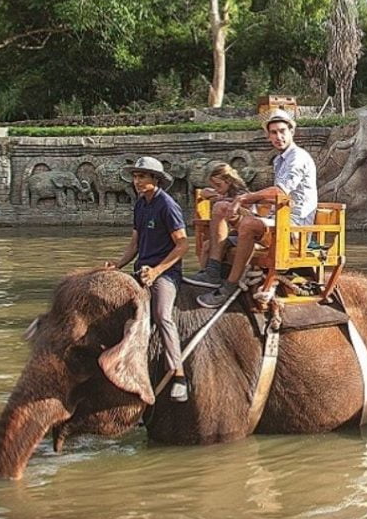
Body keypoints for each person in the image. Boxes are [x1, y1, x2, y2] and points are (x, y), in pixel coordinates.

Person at [198, 109, 318, 308]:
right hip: (276, 220)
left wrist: (244, 198)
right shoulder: (280, 160)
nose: (278, 137)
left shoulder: (297, 157)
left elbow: (280, 192)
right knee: (220, 207)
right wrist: (238, 202)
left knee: (247, 223)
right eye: (273, 133)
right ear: (268, 136)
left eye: (282, 131)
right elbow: (274, 199)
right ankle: (212, 270)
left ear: (292, 132)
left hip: (294, 228)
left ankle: (230, 286)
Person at [104, 156, 190, 402]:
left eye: (142, 176)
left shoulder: (167, 205)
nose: (137, 181)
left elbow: (183, 244)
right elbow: (135, 242)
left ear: (156, 179)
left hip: (165, 273)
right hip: (141, 269)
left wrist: (157, 271)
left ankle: (179, 374)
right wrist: (118, 265)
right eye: (135, 177)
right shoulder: (141, 204)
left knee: (163, 315)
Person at [184, 162, 253, 288]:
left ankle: (211, 274)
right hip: (232, 235)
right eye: (214, 186)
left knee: (210, 244)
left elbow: (248, 214)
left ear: (229, 181)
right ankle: (205, 272)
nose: (217, 188)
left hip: (245, 236)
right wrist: (217, 194)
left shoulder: (242, 195)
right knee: (206, 245)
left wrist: (227, 202)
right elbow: (204, 192)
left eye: (218, 185)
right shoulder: (222, 193)